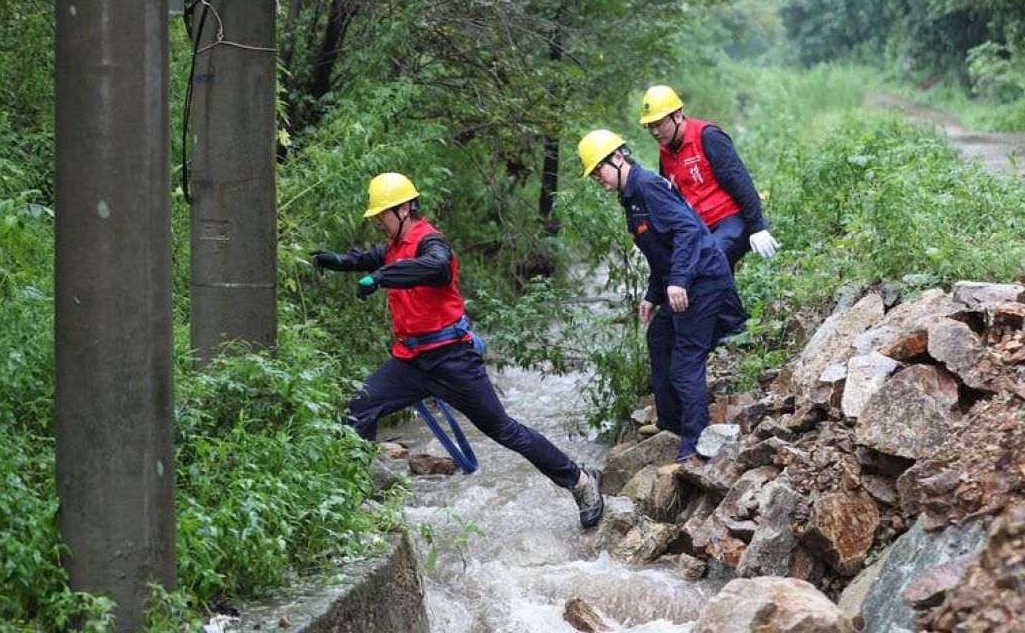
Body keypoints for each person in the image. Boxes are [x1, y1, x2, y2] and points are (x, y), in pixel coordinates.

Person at [312, 172, 604, 528]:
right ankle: (351, 503)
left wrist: (381, 277)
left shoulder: (433, 245)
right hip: (411, 363)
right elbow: (368, 258)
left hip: (452, 360)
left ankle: (581, 481)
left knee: (504, 430)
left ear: (405, 209)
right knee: (358, 410)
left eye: (382, 214)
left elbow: (430, 268)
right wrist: (339, 262)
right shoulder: (393, 246)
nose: (377, 222)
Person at [578, 130, 739, 465]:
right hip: (685, 280)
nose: (597, 178)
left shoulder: (647, 185)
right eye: (592, 173)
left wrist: (678, 281)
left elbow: (686, 230)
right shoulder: (630, 196)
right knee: (659, 336)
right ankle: (669, 421)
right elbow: (659, 250)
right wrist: (653, 294)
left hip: (703, 279)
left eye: (599, 169)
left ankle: (693, 443)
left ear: (618, 158)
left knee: (685, 362)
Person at [637, 85, 779, 270]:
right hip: (700, 229)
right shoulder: (665, 153)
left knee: (708, 261)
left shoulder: (708, 136)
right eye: (650, 126)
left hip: (731, 221)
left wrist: (757, 228)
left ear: (677, 115)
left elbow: (742, 183)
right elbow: (673, 201)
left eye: (659, 124)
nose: (655, 132)